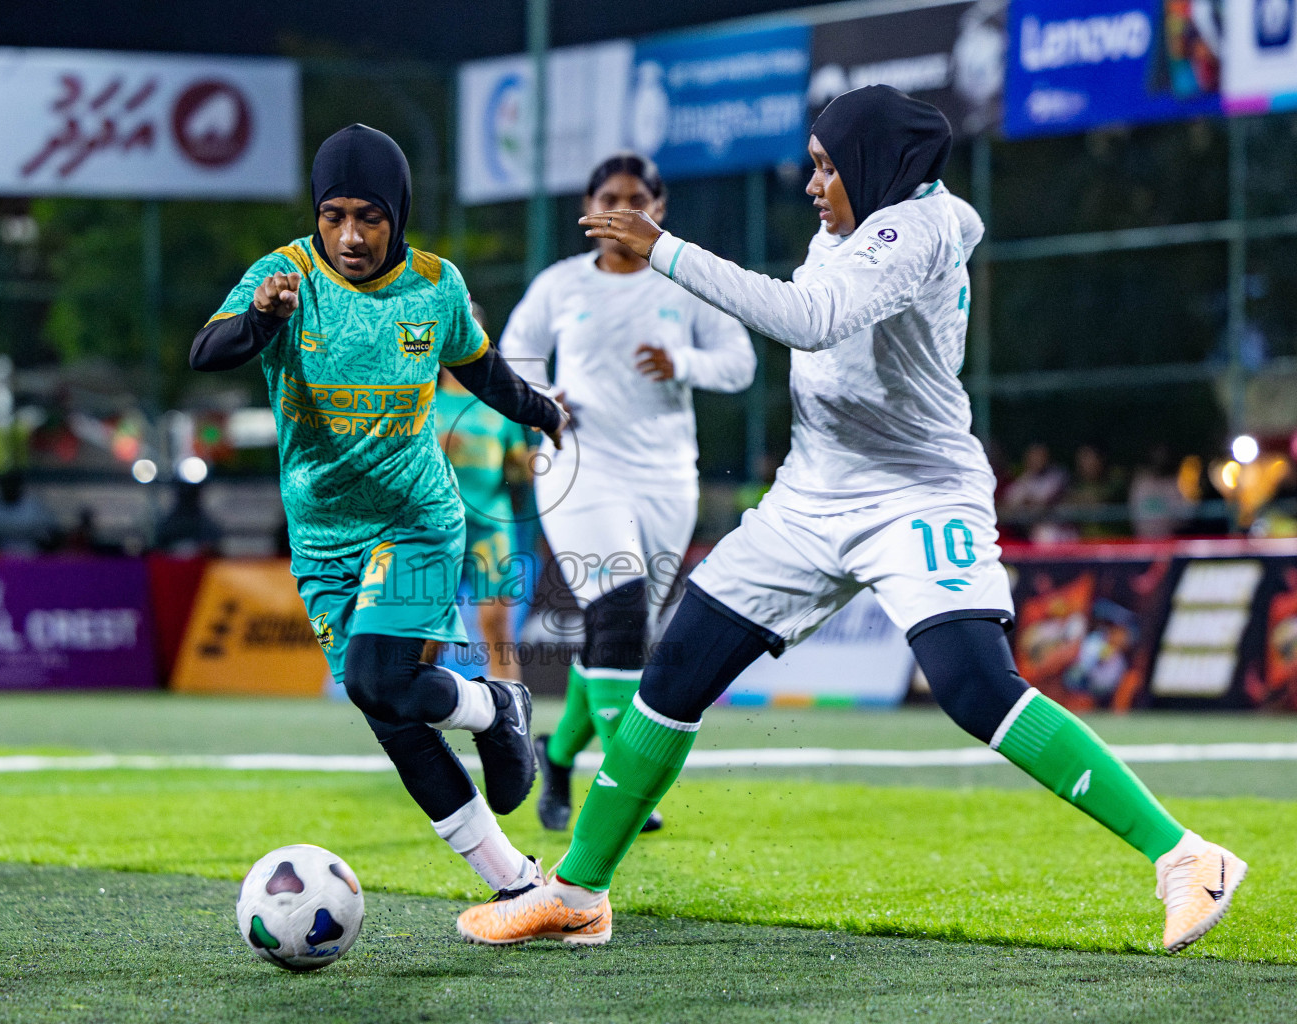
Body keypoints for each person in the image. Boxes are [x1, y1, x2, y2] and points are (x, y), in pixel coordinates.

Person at [458, 86, 1244, 953]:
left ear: (876, 163)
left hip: (914, 496)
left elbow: (811, 320)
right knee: (673, 670)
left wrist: (666, 251)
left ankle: (1185, 857)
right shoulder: (852, 220)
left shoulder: (919, 226)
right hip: (811, 496)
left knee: (975, 686)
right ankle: (577, 891)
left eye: (828, 165)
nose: (813, 184)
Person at [190, 124, 568, 903]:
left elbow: (482, 369)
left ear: (399, 211)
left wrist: (540, 409)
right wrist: (261, 319)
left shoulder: (436, 284)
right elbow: (208, 351)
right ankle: (514, 875)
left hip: (418, 520)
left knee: (377, 675)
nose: (351, 236)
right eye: (333, 216)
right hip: (323, 541)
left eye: (370, 217)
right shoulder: (283, 275)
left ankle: (496, 705)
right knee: (386, 707)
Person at [499, 153, 755, 834]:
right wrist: (542, 400)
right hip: (577, 467)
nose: (622, 209)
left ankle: (554, 758)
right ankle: (627, 782)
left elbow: (741, 363)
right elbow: (512, 353)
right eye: (608, 197)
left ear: (658, 211)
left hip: (667, 476)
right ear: (588, 208)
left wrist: (685, 363)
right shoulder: (559, 285)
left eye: (635, 198)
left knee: (625, 630)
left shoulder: (686, 282)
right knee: (617, 611)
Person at [435, 303, 532, 681]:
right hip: (437, 528)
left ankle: (510, 718)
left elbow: (517, 469)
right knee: (430, 635)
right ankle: (418, 722)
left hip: (491, 525)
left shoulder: (501, 402)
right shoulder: (420, 400)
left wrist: (537, 462)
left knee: (497, 628)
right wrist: (433, 448)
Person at [0, 470, 58, 556]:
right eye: (6, 484)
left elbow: (51, 532)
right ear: (0, 486)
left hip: (31, 556)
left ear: (19, 486)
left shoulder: (34, 506)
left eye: (13, 484)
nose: (9, 487)